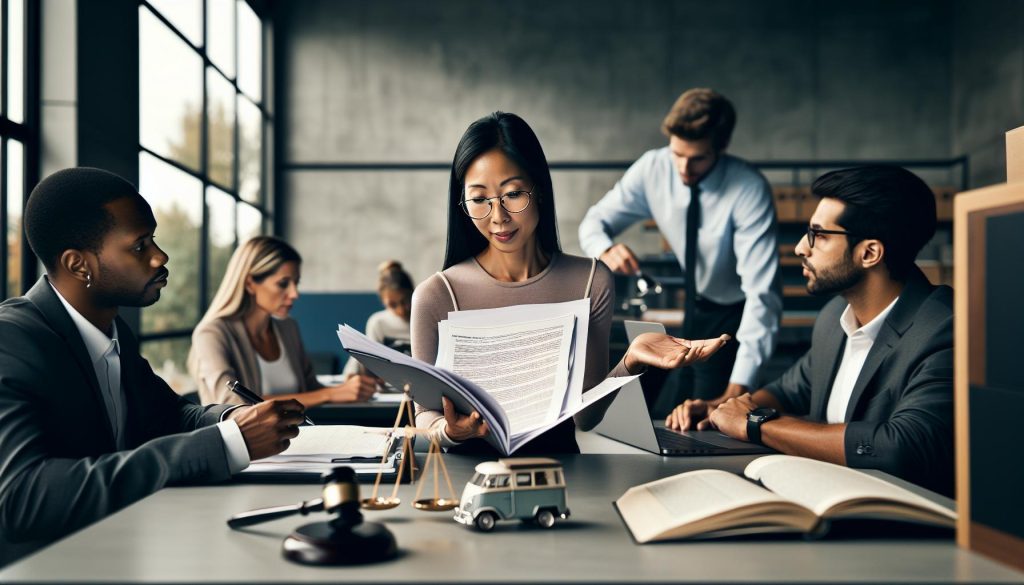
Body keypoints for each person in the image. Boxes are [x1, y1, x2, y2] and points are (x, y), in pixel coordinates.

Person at [0, 168, 304, 566]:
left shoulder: (112, 331)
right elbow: (22, 497)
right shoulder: (13, 341)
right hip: (53, 566)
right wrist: (227, 442)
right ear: (78, 265)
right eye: (140, 245)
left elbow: (170, 413)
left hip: (125, 546)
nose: (160, 256)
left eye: (154, 239)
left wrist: (235, 418)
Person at [411, 112, 730, 455]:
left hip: (560, 473)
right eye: (479, 199)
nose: (498, 216)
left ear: (540, 189)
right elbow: (424, 417)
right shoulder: (436, 295)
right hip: (464, 477)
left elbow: (585, 417)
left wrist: (630, 362)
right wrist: (450, 431)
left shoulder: (589, 281)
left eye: (513, 193)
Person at [666, 165, 954, 496]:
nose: (802, 247)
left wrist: (756, 424)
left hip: (907, 529)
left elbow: (902, 446)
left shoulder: (944, 328)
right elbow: (791, 390)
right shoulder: (836, 317)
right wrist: (723, 408)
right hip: (820, 498)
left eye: (819, 235)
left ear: (870, 253)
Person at [578, 88, 782, 404]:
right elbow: (593, 222)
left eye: (698, 158)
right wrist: (605, 248)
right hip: (690, 308)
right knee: (665, 408)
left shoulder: (749, 190)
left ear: (722, 146)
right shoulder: (653, 168)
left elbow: (763, 296)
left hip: (731, 316)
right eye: (677, 155)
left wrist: (738, 388)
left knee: (709, 419)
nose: (684, 170)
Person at [189, 236, 377, 407]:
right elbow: (231, 404)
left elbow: (312, 390)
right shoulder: (212, 334)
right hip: (245, 445)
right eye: (283, 283)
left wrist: (350, 387)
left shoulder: (288, 328)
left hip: (303, 437)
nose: (294, 294)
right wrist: (330, 394)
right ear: (249, 283)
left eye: (296, 283)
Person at [341, 260, 414, 378]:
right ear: (383, 301)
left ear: (413, 294)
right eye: (393, 305)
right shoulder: (378, 322)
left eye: (405, 301)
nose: (401, 310)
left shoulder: (422, 319)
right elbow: (371, 360)